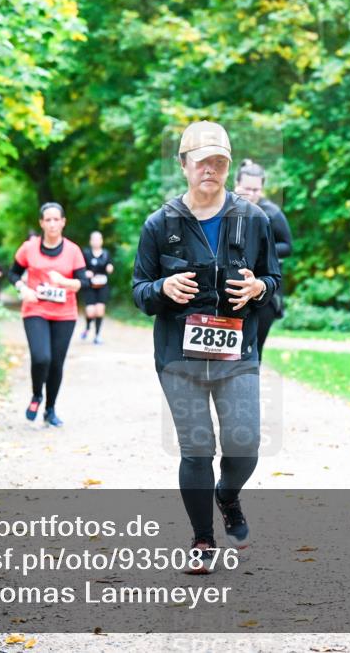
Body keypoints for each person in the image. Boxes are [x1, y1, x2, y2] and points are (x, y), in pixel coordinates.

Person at [132, 121, 281, 573]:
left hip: (237, 353)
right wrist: (162, 288)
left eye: (219, 163)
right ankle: (202, 540)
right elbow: (139, 290)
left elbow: (274, 279)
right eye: (202, 163)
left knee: (245, 445)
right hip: (180, 355)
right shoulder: (160, 224)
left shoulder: (254, 220)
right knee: (196, 449)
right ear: (183, 166)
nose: (211, 171)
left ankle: (227, 494)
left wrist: (259, 288)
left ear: (229, 168)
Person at [8, 202, 88, 428]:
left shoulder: (73, 251)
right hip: (35, 309)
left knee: (56, 363)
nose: (52, 224)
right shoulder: (28, 248)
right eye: (48, 220)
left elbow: (83, 282)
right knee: (42, 357)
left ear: (63, 222)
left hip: (65, 313)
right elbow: (13, 273)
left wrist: (63, 281)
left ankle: (50, 409)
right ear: (41, 223)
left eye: (56, 219)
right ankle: (36, 395)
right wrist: (22, 289)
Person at [233, 159, 293, 358]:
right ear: (236, 184)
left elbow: (287, 246)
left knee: (253, 352)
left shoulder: (271, 213)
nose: (252, 194)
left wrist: (259, 250)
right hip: (232, 290)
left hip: (264, 292)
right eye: (247, 188)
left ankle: (248, 387)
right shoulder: (225, 208)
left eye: (257, 190)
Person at [80, 231, 114, 345]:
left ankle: (97, 335)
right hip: (89, 286)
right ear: (90, 241)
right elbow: (80, 268)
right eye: (94, 239)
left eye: (98, 239)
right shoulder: (86, 253)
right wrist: (86, 272)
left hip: (102, 285)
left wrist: (110, 267)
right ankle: (88, 327)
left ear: (101, 241)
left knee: (99, 311)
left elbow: (110, 265)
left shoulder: (106, 253)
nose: (96, 241)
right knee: (90, 312)